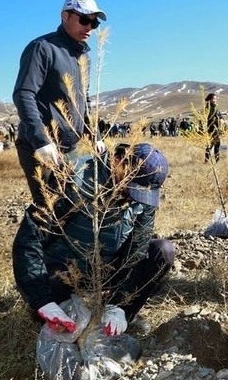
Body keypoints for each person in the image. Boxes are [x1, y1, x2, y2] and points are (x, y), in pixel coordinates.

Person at [12, 143, 175, 336]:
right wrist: (41, 300)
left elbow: (136, 251)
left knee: (163, 251)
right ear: (118, 162)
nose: (133, 197)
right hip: (66, 269)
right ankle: (54, 312)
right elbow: (30, 240)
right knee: (54, 286)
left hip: (108, 269)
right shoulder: (75, 178)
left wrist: (120, 304)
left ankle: (119, 314)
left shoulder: (141, 198)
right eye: (131, 187)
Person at [13, 0, 108, 209]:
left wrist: (95, 135)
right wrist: (41, 141)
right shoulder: (42, 48)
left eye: (94, 23)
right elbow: (24, 94)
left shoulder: (83, 56)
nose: (90, 28)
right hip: (42, 146)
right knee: (49, 208)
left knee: (70, 207)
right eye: (84, 20)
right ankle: (30, 243)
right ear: (65, 15)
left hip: (70, 147)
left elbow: (83, 100)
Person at [203, 93, 222, 162]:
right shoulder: (208, 108)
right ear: (210, 99)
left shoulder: (215, 108)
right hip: (211, 129)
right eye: (213, 99)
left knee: (216, 145)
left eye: (215, 99)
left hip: (217, 129)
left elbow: (219, 116)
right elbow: (208, 117)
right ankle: (208, 160)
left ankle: (216, 160)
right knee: (211, 145)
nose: (215, 100)